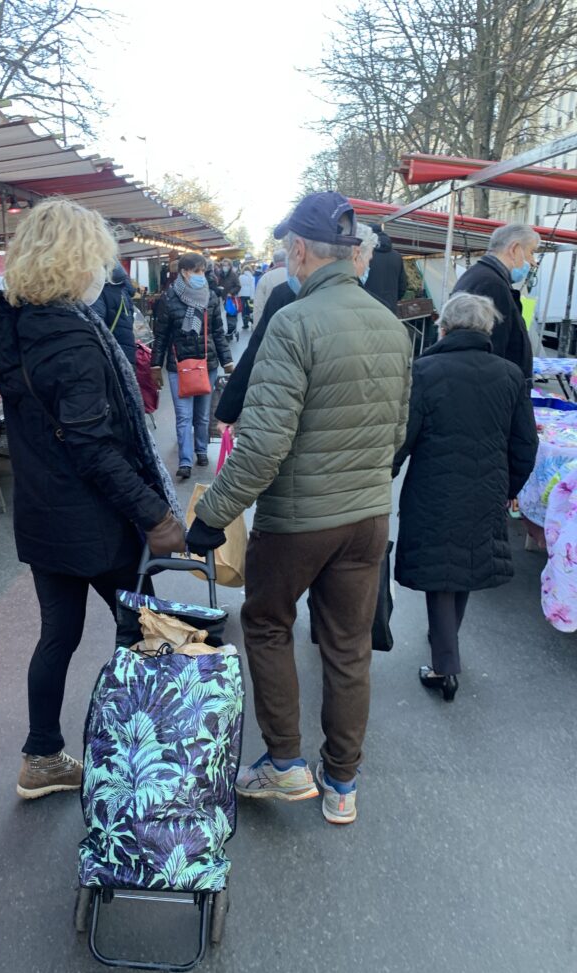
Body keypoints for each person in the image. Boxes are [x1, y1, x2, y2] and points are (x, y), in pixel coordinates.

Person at [187, 191, 412, 824]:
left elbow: (262, 447)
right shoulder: (393, 327)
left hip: (297, 521)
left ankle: (285, 763)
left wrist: (211, 517)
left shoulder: (293, 323)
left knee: (266, 623)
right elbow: (396, 434)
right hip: (367, 518)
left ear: (300, 251)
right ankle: (342, 783)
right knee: (348, 645)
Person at [0, 197, 186, 800]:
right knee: (144, 627)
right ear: (77, 259)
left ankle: (42, 756)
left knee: (59, 635)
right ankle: (141, 761)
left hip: (43, 514)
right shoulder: (70, 339)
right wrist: (155, 514)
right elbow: (92, 446)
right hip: (91, 521)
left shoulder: (18, 326)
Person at [392, 292, 538, 702]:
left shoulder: (425, 370)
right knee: (465, 562)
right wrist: (508, 488)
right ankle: (446, 643)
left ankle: (445, 665)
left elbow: (403, 436)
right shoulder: (509, 374)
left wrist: (381, 474)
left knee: (442, 570)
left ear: (444, 328)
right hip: (487, 488)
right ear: (487, 329)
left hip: (433, 488)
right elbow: (525, 444)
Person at [216, 224, 379, 429]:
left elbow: (256, 352)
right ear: (355, 256)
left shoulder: (285, 294)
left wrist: (228, 412)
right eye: (368, 260)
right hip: (352, 424)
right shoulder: (376, 311)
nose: (367, 267)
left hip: (296, 418)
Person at [150, 253, 234, 479]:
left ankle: (201, 450)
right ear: (184, 272)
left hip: (208, 363)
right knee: (183, 416)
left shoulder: (211, 296)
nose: (201, 275)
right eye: (196, 271)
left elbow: (218, 332)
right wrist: (155, 366)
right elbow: (161, 336)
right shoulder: (169, 298)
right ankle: (185, 461)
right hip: (179, 365)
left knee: (203, 415)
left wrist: (227, 361)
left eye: (203, 271)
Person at [451, 223, 539, 384]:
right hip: (493, 386)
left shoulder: (485, 276)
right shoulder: (491, 284)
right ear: (514, 249)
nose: (533, 262)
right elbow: (491, 350)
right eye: (531, 252)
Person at [91, 263, 136, 366]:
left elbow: (95, 329)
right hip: (125, 350)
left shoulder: (98, 291)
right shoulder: (122, 288)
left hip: (110, 355)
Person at [362, 225, 407, 315]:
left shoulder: (366, 255)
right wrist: (393, 299)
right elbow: (403, 286)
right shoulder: (397, 256)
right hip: (390, 309)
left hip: (368, 308)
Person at [253, 248, 288, 325]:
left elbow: (258, 306)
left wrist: (257, 327)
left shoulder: (265, 278)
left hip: (270, 323)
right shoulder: (296, 276)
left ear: (274, 261)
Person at [238, 264, 255, 329]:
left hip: (242, 295)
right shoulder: (252, 277)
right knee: (250, 309)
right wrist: (253, 296)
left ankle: (245, 324)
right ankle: (251, 320)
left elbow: (239, 286)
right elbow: (252, 287)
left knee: (243, 310)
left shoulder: (240, 277)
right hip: (249, 295)